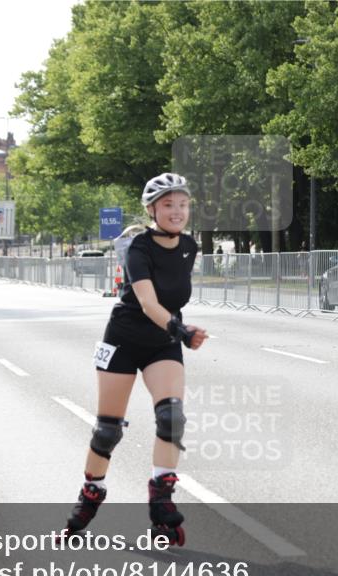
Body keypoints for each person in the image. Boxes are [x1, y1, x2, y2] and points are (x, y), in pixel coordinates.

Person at [62, 173, 209, 546]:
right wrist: (183, 331)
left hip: (163, 342)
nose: (177, 212)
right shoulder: (138, 247)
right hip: (125, 338)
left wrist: (175, 332)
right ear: (152, 210)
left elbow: (173, 295)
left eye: (183, 204)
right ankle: (90, 492)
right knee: (108, 430)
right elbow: (146, 302)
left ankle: (161, 499)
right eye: (168, 205)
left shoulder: (190, 246)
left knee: (171, 416)